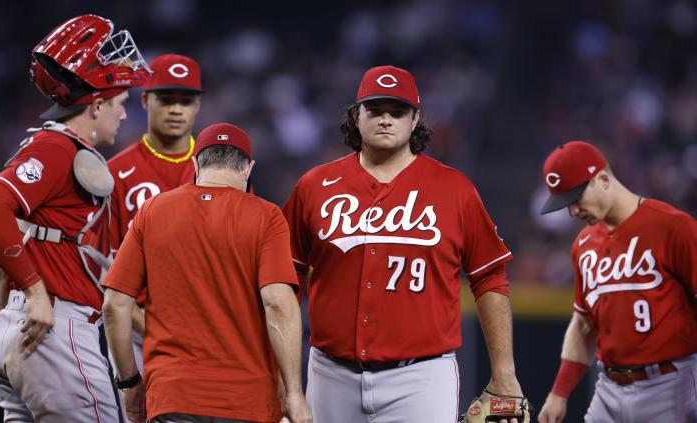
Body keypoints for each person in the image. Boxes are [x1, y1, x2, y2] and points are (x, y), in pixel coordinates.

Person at [282, 65, 524, 423]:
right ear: (356, 115)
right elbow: (285, 281)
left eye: (397, 111)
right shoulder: (315, 186)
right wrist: (283, 380)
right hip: (330, 372)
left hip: (421, 377)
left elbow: (489, 277)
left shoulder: (454, 189)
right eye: (375, 110)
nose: (385, 119)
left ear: (415, 120)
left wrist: (504, 373)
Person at [0, 14, 150, 422]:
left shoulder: (51, 148)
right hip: (57, 330)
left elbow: (2, 266)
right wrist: (35, 294)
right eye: (119, 104)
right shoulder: (57, 148)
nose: (124, 116)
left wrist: (11, 319)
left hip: (20, 333)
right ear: (97, 104)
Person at [102, 123, 312, 423]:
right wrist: (294, 393)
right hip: (246, 402)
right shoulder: (266, 216)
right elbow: (278, 304)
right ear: (248, 168)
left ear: (196, 164)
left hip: (172, 396)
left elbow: (114, 305)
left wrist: (129, 383)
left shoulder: (152, 211)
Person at [536, 140, 697, 422]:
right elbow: (584, 322)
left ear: (603, 179)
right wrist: (559, 392)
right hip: (608, 389)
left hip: (671, 384)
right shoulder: (583, 245)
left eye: (575, 199)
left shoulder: (673, 226)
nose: (572, 211)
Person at [107, 53, 204, 374]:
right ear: (146, 100)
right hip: (140, 329)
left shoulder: (219, 169)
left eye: (186, 100)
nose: (176, 109)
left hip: (209, 326)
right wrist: (148, 327)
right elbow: (104, 268)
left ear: (197, 106)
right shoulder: (116, 173)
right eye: (166, 99)